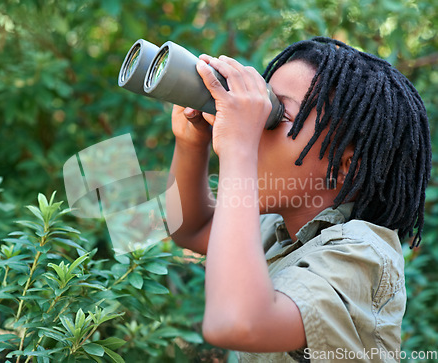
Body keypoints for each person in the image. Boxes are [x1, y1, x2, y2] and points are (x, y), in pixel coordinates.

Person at [167, 37, 431, 362]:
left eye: (275, 115)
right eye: (261, 108)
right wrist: (190, 142)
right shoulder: (280, 231)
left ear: (346, 167)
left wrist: (239, 146)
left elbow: (236, 323)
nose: (256, 129)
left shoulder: (362, 254)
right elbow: (192, 228)